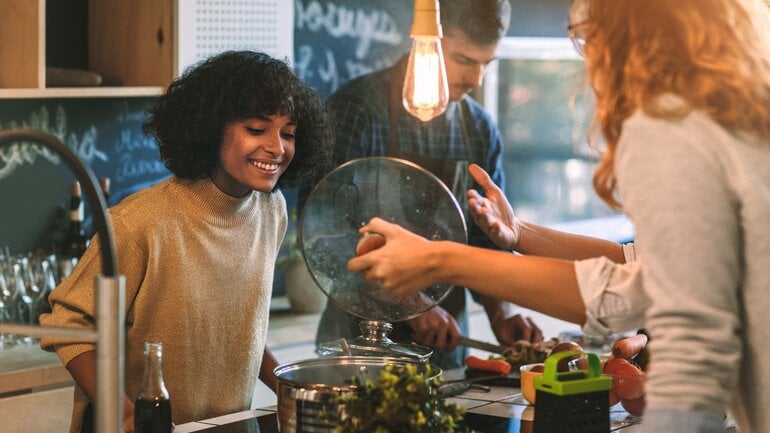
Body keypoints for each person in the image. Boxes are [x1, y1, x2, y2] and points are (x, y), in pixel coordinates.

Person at [349, 0, 770, 432]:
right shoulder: (741, 121)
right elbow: (638, 264)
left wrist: (440, 259)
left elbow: (640, 300)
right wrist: (520, 234)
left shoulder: (674, 128)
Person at [39, 50, 333, 433]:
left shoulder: (271, 210)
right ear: (212, 130)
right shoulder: (138, 223)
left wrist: (285, 389)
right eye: (257, 130)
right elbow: (68, 324)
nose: (277, 147)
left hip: (225, 425)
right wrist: (126, 412)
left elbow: (238, 329)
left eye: (288, 133)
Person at [304, 0, 543, 370]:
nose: (476, 79)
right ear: (424, 41)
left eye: (486, 63)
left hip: (447, 346)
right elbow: (325, 230)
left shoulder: (478, 129)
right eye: (464, 59)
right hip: (358, 346)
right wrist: (411, 303)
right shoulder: (358, 109)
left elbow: (485, 239)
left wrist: (502, 313)